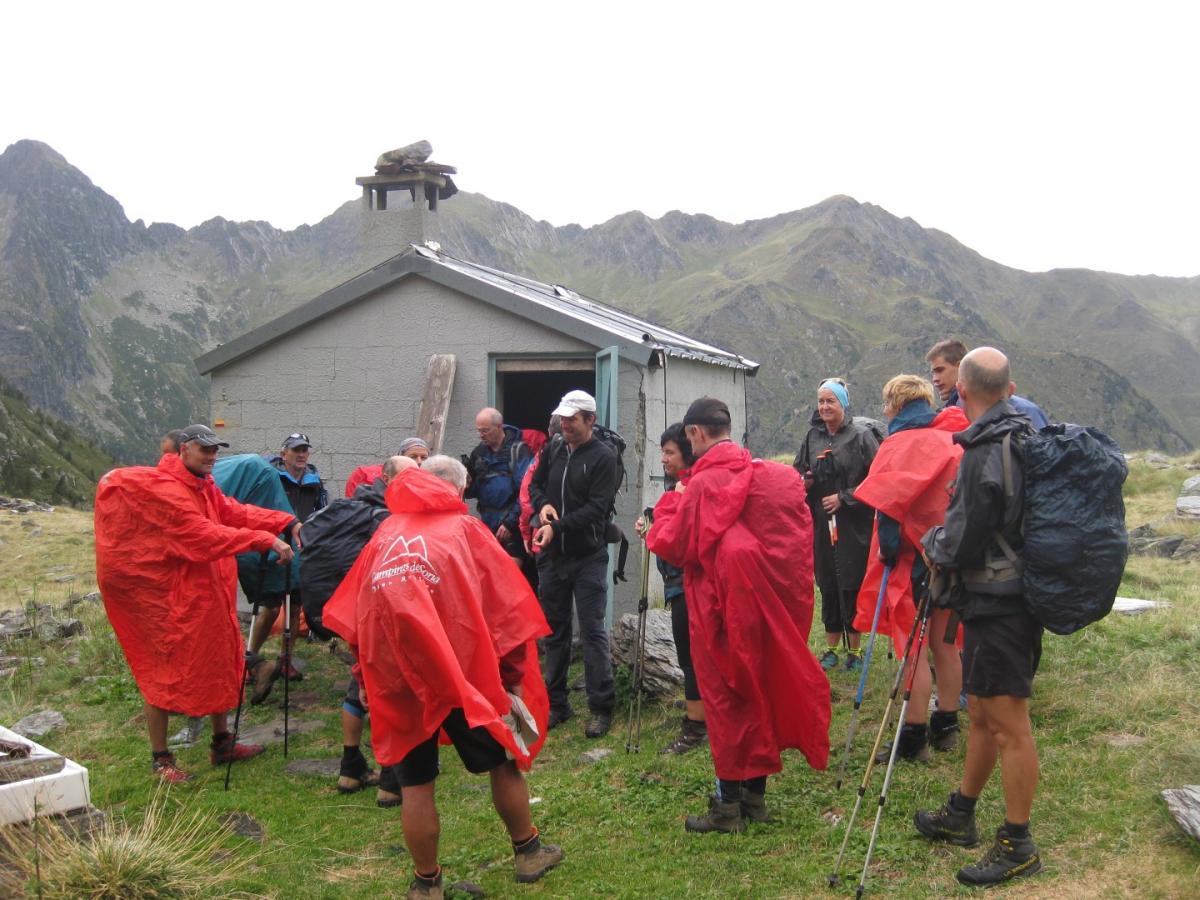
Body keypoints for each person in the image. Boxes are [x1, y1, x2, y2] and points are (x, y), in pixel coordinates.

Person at [323, 456, 563, 897]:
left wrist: (363, 675)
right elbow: (504, 611)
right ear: (457, 488)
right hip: (462, 675)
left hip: (397, 680)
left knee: (415, 784)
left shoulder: (384, 535)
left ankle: (426, 883)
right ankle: (529, 852)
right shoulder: (466, 530)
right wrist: (512, 683)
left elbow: (359, 613)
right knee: (502, 763)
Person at [648, 397, 831, 833]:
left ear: (695, 434)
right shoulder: (765, 474)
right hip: (767, 611)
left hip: (720, 611)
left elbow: (676, 542)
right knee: (760, 690)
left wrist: (665, 511)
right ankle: (755, 798)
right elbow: (791, 540)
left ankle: (726, 807)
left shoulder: (704, 485)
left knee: (728, 700)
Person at [94, 424, 300, 783]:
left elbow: (232, 512)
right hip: (169, 601)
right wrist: (264, 540)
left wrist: (285, 520)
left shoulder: (203, 486)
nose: (212, 456)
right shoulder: (166, 491)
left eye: (215, 450)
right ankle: (161, 759)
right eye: (204, 450)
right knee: (161, 672)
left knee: (221, 658)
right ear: (183, 451)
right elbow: (202, 536)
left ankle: (222, 743)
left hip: (206, 594)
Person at [914, 348, 1044, 887]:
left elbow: (960, 541)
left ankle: (1018, 843)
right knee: (986, 712)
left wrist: (931, 540)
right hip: (1011, 597)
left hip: (999, 602)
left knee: (1008, 721)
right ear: (1009, 389)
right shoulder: (1025, 435)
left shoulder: (985, 450)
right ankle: (962, 812)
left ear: (960, 391)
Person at [852, 376, 968, 763]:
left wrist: (886, 553)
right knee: (946, 643)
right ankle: (946, 725)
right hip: (952, 558)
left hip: (912, 563)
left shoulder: (897, 444)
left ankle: (913, 736)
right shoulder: (952, 440)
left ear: (894, 406)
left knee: (912, 650)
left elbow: (888, 509)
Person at [301, 455, 417, 807]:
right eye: (408, 475)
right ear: (387, 477)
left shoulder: (351, 506)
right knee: (387, 687)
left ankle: (350, 767)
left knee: (361, 679)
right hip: (375, 611)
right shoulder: (386, 516)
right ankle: (391, 778)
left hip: (346, 611)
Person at [528, 390, 619, 738]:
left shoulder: (603, 457)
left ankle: (601, 707)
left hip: (588, 556)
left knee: (593, 631)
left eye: (572, 419)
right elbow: (535, 485)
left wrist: (555, 526)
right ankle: (556, 703)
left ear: (590, 420)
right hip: (554, 558)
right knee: (555, 631)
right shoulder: (553, 448)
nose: (564, 425)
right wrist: (542, 507)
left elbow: (597, 509)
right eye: (562, 419)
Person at [793, 379, 881, 672]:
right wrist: (804, 482)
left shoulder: (860, 437)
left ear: (843, 404)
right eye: (821, 401)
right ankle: (831, 649)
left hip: (853, 523)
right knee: (828, 582)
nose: (825, 407)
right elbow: (798, 469)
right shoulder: (812, 437)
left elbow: (877, 478)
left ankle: (854, 652)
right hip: (821, 522)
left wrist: (845, 498)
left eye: (831, 401)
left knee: (851, 582)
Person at [635, 423, 706, 754]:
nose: (663, 458)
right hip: (679, 581)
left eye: (669, 452)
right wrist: (652, 521)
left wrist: (656, 526)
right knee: (689, 654)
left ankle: (695, 728)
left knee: (689, 654)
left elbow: (681, 535)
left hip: (687, 583)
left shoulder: (689, 488)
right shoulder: (679, 486)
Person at [251, 432, 330, 669]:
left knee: (296, 606)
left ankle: (286, 659)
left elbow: (320, 513)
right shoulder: (271, 478)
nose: (301, 454)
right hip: (274, 548)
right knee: (272, 606)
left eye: (305, 450)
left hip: (301, 549)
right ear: (283, 454)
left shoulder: (314, 482)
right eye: (296, 450)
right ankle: (250, 657)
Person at [926, 339, 1048, 428]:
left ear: (960, 366)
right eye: (933, 373)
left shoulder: (1024, 410)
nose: (935, 379)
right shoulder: (946, 415)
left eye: (940, 370)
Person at [465, 408, 533, 566]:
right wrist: (467, 482)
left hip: (513, 525)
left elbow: (526, 490)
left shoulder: (518, 451)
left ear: (499, 426)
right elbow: (473, 492)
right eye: (479, 431)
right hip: (487, 524)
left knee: (511, 574)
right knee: (488, 573)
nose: (481, 435)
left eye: (485, 431)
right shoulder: (479, 453)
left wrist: (510, 522)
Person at [344, 437, 431, 497]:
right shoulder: (363, 474)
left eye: (424, 458)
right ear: (400, 456)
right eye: (413, 456)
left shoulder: (432, 481)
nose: (419, 461)